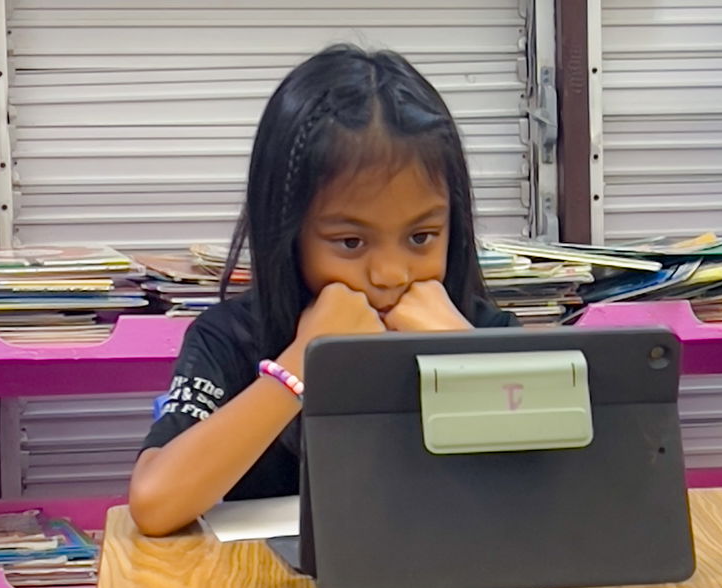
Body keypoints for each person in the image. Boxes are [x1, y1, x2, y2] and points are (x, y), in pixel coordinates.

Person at [129, 44, 511, 536]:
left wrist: (465, 355)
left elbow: (552, 500)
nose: (391, 274)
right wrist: (300, 363)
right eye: (350, 241)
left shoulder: (483, 331)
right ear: (288, 234)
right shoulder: (232, 338)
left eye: (421, 237)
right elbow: (156, 503)